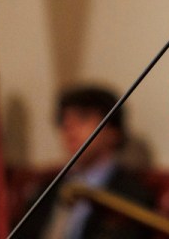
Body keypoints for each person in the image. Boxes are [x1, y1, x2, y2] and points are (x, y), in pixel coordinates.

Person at [15, 85, 154, 239]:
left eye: (82, 117)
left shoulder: (130, 193)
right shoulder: (48, 186)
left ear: (112, 131)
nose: (69, 126)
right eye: (63, 120)